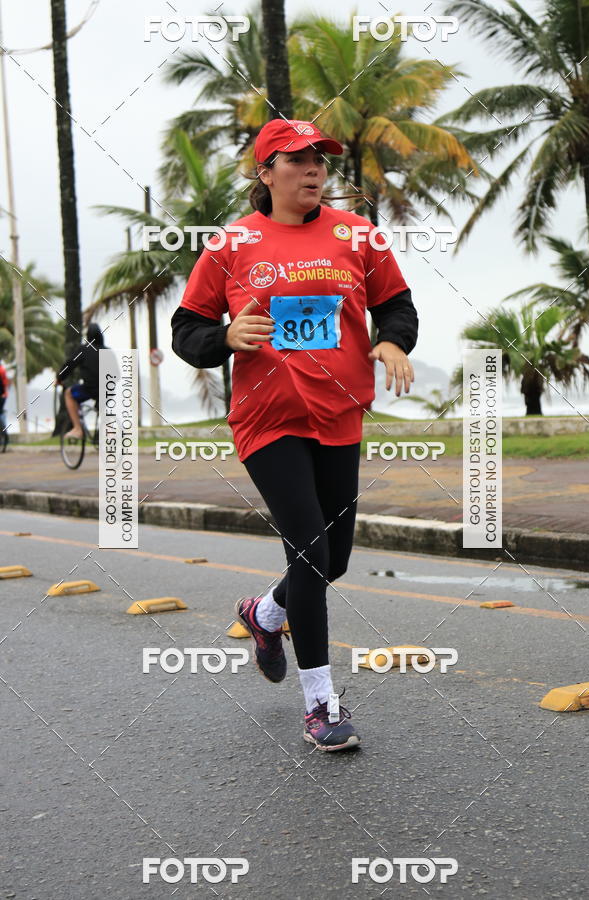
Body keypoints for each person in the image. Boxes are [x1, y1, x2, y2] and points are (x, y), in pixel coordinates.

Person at [171, 118, 418, 751]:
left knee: (333, 559)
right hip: (267, 418)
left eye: (319, 159)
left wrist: (391, 340)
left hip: (339, 415)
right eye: (297, 159)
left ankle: (266, 612)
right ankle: (320, 705)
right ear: (265, 172)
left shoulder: (356, 235)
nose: (313, 169)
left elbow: (395, 302)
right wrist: (223, 337)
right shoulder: (232, 245)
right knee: (308, 551)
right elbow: (187, 326)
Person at [55, 322, 105, 439]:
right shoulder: (108, 351)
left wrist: (59, 378)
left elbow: (69, 365)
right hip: (108, 389)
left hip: (90, 389)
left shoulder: (84, 350)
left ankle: (78, 428)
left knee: (69, 394)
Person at [0, 359, 9, 442]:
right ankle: (5, 434)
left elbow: (4, 384)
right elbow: (5, 384)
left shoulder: (1, 370)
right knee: (1, 413)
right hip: (3, 395)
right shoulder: (2, 369)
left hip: (2, 395)